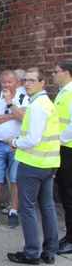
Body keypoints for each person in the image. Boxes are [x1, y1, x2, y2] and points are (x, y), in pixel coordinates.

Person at [5, 68, 60, 265]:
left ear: (42, 82)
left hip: (32, 163)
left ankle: (31, 252)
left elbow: (33, 138)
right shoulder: (48, 103)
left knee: (27, 208)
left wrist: (14, 141)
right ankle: (50, 250)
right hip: (49, 162)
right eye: (25, 81)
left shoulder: (37, 106)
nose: (27, 84)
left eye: (32, 80)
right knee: (47, 206)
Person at [0, 70, 28, 230]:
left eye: (9, 82)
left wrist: (10, 104)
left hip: (16, 145)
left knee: (15, 181)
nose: (6, 85)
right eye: (3, 82)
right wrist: (11, 115)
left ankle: (13, 212)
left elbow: (23, 117)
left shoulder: (23, 98)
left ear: (17, 82)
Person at [53, 60, 72, 254]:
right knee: (66, 195)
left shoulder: (70, 93)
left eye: (56, 71)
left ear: (66, 72)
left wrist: (56, 140)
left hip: (68, 149)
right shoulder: (63, 92)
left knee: (68, 195)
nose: (53, 75)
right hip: (64, 148)